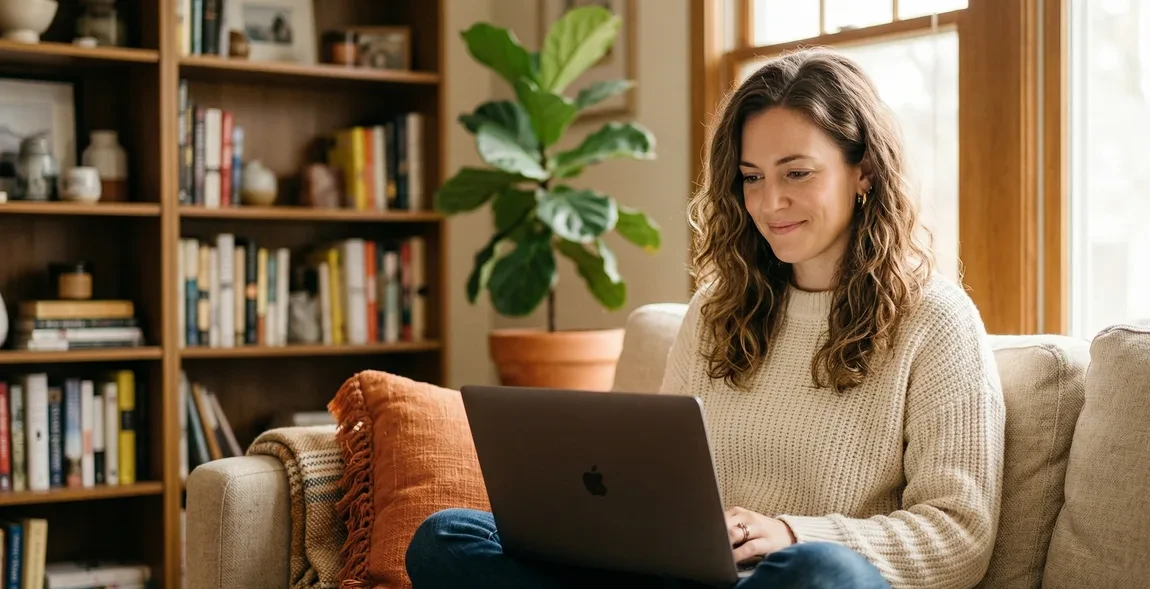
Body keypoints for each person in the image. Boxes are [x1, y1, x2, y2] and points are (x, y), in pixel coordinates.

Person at [404, 47, 1006, 589]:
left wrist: (792, 533)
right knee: (447, 537)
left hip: (790, 578)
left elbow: (959, 536)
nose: (770, 203)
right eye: (751, 178)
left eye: (797, 172)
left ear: (864, 172)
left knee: (824, 573)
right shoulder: (718, 310)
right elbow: (656, 482)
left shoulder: (936, 320)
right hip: (683, 576)